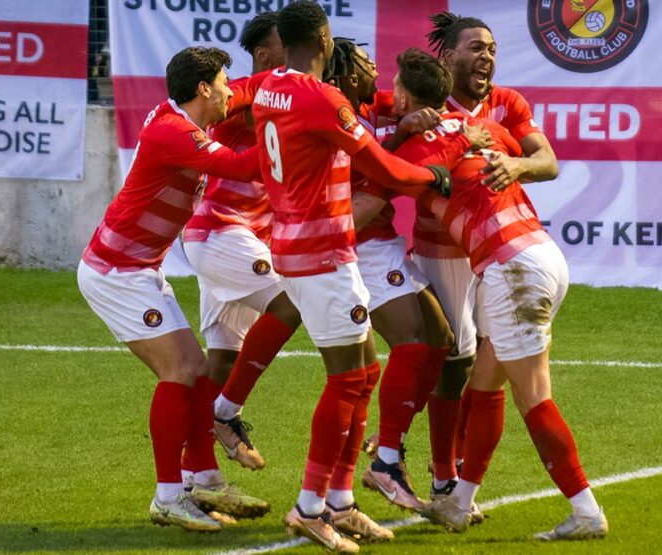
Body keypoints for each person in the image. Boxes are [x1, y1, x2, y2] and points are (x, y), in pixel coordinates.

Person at [251, 3, 452, 551]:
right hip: (322, 252)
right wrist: (430, 175)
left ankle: (340, 500)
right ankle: (309, 506)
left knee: (364, 372)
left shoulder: (269, 88)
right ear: (324, 38)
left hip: (302, 244)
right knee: (346, 379)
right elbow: (381, 168)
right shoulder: (322, 98)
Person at [387, 47, 607, 540]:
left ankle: (585, 509)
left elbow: (390, 174)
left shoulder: (417, 150)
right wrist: (491, 151)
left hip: (511, 269)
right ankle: (458, 503)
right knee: (484, 386)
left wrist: (403, 135)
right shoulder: (487, 128)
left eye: (396, 88)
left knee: (534, 397)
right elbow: (538, 160)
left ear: (405, 98)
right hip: (541, 254)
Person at [77, 46, 269, 533]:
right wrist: (297, 134)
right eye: (222, 84)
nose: (229, 92)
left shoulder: (182, 117)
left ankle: (204, 479)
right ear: (203, 89)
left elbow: (244, 90)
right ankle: (167, 497)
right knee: (180, 370)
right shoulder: (174, 132)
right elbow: (244, 166)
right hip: (116, 271)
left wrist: (281, 86)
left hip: (139, 268)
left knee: (198, 370)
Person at [324, 39, 490, 513]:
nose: (376, 69)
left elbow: (406, 118)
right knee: (414, 342)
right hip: (359, 247)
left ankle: (390, 441)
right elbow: (379, 177)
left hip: (382, 243)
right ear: (346, 74)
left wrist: (414, 123)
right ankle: (386, 462)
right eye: (365, 64)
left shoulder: (378, 104)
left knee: (441, 339)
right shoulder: (337, 118)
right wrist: (406, 137)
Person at [415, 12, 562, 511]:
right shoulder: (428, 105)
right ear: (448, 56)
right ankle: (442, 475)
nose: (487, 57)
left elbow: (548, 162)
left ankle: (457, 479)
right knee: (454, 361)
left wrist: (517, 164)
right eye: (476, 47)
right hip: (443, 248)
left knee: (488, 360)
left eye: (492, 49)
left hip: (500, 251)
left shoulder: (508, 102)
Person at [181, 11, 299, 473]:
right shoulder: (243, 97)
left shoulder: (283, 92)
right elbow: (261, 107)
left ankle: (197, 474)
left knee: (223, 361)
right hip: (220, 232)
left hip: (242, 238)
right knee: (291, 304)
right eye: (290, 42)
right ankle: (225, 414)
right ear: (266, 55)